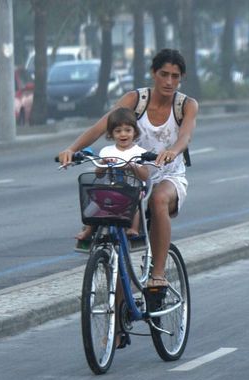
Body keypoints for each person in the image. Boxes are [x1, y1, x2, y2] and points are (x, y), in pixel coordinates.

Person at [59, 48, 198, 289]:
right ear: (153, 73)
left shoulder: (186, 105)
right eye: (164, 74)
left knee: (158, 200)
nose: (169, 81)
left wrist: (172, 151)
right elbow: (101, 126)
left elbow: (185, 135)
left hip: (167, 175)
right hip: (130, 177)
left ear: (181, 77)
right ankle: (119, 314)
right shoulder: (136, 99)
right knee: (115, 233)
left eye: (175, 76)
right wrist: (71, 149)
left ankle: (158, 273)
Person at [76, 107, 149, 243]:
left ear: (135, 132)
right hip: (111, 189)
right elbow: (98, 174)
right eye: (118, 131)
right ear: (111, 134)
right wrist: (103, 163)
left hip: (132, 190)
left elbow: (145, 176)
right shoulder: (107, 151)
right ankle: (88, 230)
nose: (123, 134)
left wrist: (133, 166)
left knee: (136, 204)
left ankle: (133, 228)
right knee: (94, 203)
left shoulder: (139, 152)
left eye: (128, 130)